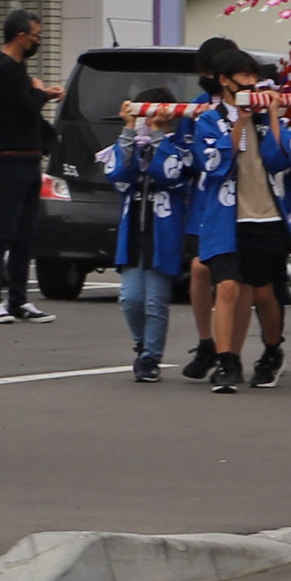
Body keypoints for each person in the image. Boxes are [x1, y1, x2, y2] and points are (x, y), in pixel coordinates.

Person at [186, 38, 291, 392]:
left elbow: (279, 159)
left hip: (265, 216)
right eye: (242, 75)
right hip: (226, 219)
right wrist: (238, 125)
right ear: (224, 80)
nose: (249, 82)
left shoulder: (265, 118)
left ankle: (273, 349)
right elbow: (213, 165)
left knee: (263, 293)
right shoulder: (209, 121)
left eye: (253, 76)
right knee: (227, 286)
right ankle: (228, 362)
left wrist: (271, 115)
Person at [98, 86, 194, 383]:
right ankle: (142, 343)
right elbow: (117, 174)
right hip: (134, 234)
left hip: (162, 233)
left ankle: (151, 356)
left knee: (155, 300)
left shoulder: (179, 145)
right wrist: (129, 127)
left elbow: (169, 173)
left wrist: (158, 135)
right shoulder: (133, 143)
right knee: (129, 297)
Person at [0, 8, 61, 325]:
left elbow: (28, 107)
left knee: (26, 233)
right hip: (9, 159)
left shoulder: (19, 67)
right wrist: (40, 93)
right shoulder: (3, 68)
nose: (38, 41)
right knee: (4, 232)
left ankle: (19, 300)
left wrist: (40, 93)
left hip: (28, 157)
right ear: (21, 36)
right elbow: (24, 107)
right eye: (36, 35)